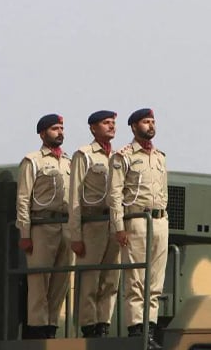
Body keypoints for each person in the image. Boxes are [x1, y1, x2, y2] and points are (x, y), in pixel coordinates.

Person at [107, 108, 167, 350]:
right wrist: (119, 227)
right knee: (136, 282)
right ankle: (136, 330)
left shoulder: (160, 157)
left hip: (160, 222)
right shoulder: (124, 157)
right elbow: (114, 195)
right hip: (136, 221)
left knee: (155, 283)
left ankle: (150, 331)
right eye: (145, 122)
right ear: (133, 127)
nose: (150, 125)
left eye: (152, 121)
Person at [16, 114, 73, 339]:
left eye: (61, 128)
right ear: (42, 133)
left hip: (65, 226)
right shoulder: (33, 161)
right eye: (54, 129)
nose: (59, 132)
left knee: (60, 281)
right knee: (39, 281)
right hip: (42, 225)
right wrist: (25, 232)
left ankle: (51, 327)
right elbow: (23, 199)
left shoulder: (68, 162)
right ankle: (38, 328)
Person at [68, 110, 120, 338]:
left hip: (113, 223)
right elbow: (74, 197)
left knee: (111, 277)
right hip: (93, 223)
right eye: (106, 123)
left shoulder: (118, 157)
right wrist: (75, 235)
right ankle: (89, 326)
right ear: (93, 128)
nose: (111, 126)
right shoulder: (84, 155)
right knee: (90, 277)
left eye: (113, 123)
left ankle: (103, 323)